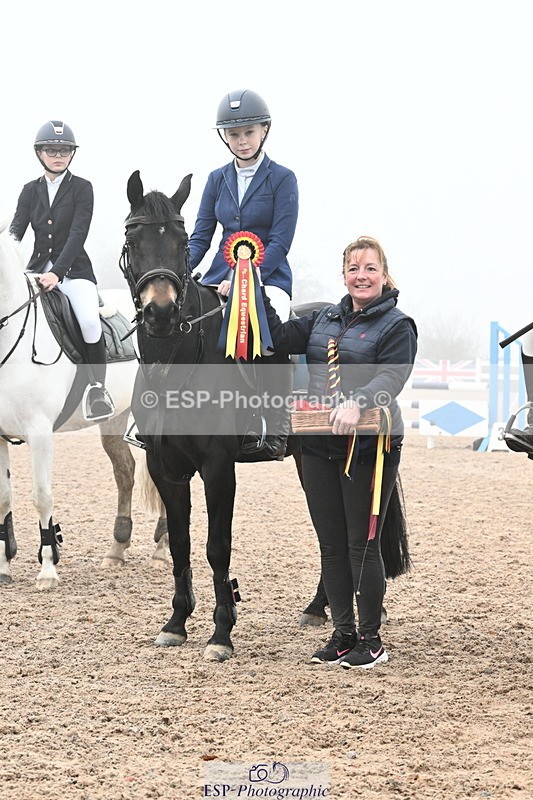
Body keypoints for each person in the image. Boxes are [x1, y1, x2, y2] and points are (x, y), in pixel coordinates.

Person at [261, 235, 417, 668]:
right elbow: (275, 337)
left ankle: (371, 639)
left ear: (384, 275)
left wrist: (359, 400)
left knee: (360, 544)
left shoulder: (397, 325)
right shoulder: (323, 318)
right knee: (330, 545)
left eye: (370, 268)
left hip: (370, 444)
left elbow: (392, 376)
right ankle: (342, 634)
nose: (361, 276)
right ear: (343, 275)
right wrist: (252, 285)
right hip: (315, 442)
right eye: (353, 268)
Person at [189, 89, 298, 458]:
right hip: (218, 275)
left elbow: (281, 240)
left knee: (271, 329)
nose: (242, 140)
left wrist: (247, 279)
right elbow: (201, 236)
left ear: (264, 131)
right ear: (225, 137)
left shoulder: (282, 179)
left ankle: (274, 424)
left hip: (269, 278)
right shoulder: (216, 179)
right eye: (234, 134)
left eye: (249, 132)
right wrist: (175, 273)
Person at [10, 120, 114, 421]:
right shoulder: (30, 191)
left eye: (65, 150)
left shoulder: (83, 188)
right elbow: (17, 231)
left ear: (72, 154)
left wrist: (57, 273)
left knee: (89, 323)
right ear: (40, 153)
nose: (58, 155)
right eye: (51, 150)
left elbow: (77, 234)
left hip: (74, 272)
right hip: (36, 270)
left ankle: (97, 390)